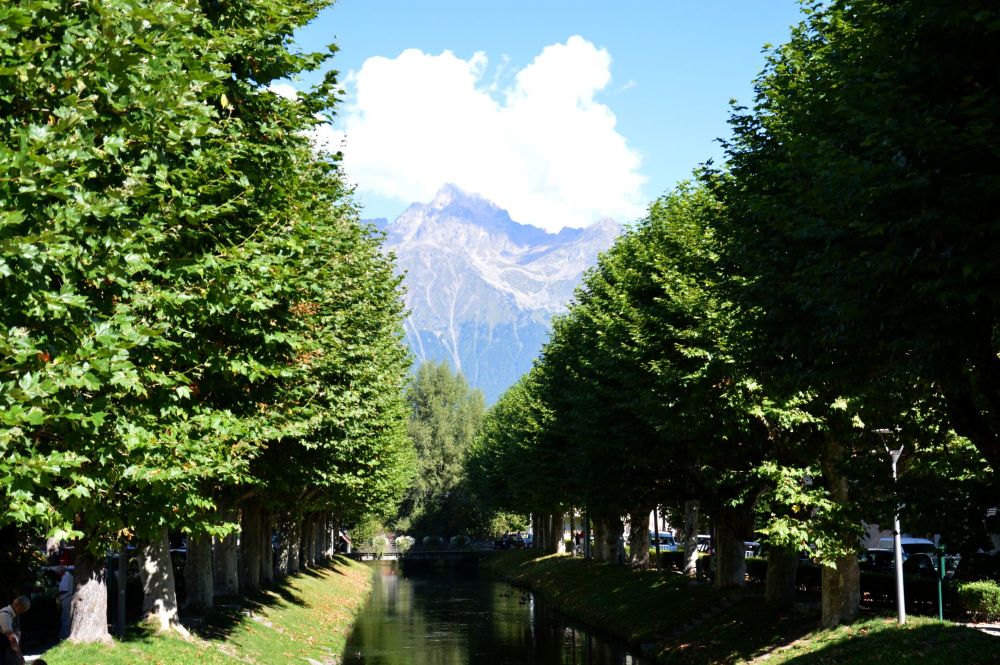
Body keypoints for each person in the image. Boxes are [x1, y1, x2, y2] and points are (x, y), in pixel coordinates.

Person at [0, 596, 30, 665]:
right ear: (18, 606)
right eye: (24, 609)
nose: (23, 612)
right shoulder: (5, 615)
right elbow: (11, 638)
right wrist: (20, 655)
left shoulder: (11, 614)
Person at [56, 566, 73, 640]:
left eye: (58, 573)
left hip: (66, 598)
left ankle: (65, 636)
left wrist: (56, 593)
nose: (58, 575)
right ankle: (65, 635)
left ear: (61, 572)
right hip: (68, 598)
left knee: (65, 618)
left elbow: (64, 589)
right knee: (67, 617)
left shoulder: (66, 577)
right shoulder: (69, 576)